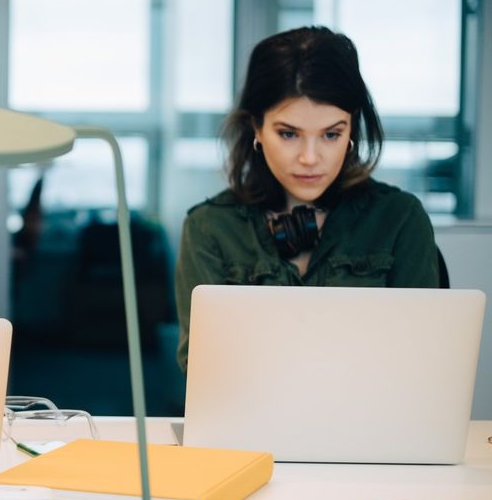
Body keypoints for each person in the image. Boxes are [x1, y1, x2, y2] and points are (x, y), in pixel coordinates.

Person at [174, 26, 438, 372]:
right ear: (257, 127)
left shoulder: (400, 219)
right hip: (249, 425)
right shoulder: (210, 228)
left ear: (352, 130)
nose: (310, 158)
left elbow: (423, 362)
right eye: (288, 134)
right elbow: (204, 373)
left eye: (331, 134)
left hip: (373, 424)